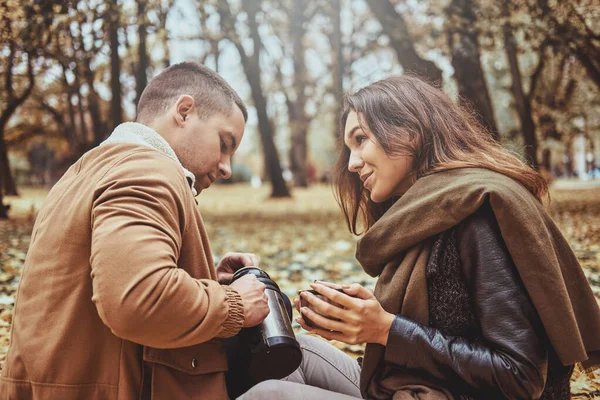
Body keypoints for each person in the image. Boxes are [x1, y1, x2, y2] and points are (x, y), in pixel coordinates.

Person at [239, 75, 600, 400]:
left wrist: (385, 330)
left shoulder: (477, 214)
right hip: (426, 388)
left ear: (409, 131)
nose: (351, 163)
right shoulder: (428, 213)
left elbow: (520, 379)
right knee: (298, 353)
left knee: (270, 395)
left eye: (361, 139)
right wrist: (361, 323)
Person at [0, 62, 270, 400]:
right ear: (184, 111)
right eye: (224, 143)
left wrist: (202, 279)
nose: (227, 167)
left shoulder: (86, 170)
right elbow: (138, 301)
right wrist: (234, 304)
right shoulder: (145, 171)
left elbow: (97, 286)